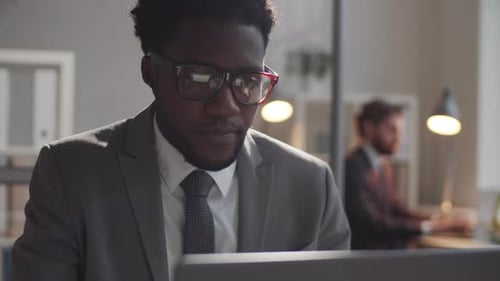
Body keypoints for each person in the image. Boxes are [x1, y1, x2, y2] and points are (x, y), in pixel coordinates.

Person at [11, 1, 351, 280]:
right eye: (199, 78)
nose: (225, 107)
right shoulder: (72, 174)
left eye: (247, 80)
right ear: (150, 73)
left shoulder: (310, 185)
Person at [344, 100, 470, 250]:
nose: (398, 138)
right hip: (366, 259)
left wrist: (436, 219)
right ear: (369, 128)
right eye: (392, 130)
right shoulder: (352, 166)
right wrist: (431, 227)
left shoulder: (382, 166)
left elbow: (397, 209)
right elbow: (372, 224)